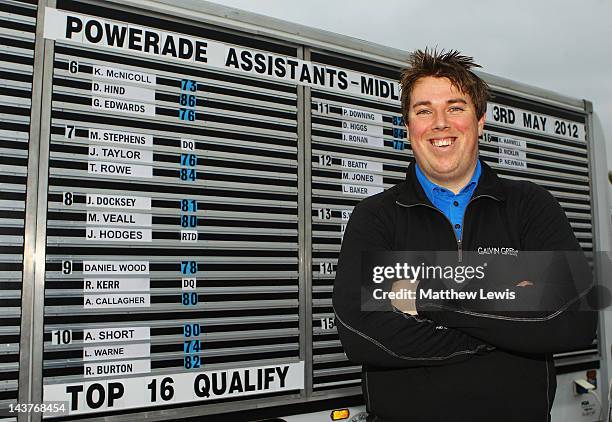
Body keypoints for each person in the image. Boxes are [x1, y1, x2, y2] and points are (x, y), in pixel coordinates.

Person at [332, 49, 596, 422]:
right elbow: (361, 336)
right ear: (407, 128)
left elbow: (573, 321)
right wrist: (507, 310)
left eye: (455, 108)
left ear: (480, 121)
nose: (440, 123)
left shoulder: (530, 206)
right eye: (424, 111)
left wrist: (425, 297)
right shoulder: (375, 217)